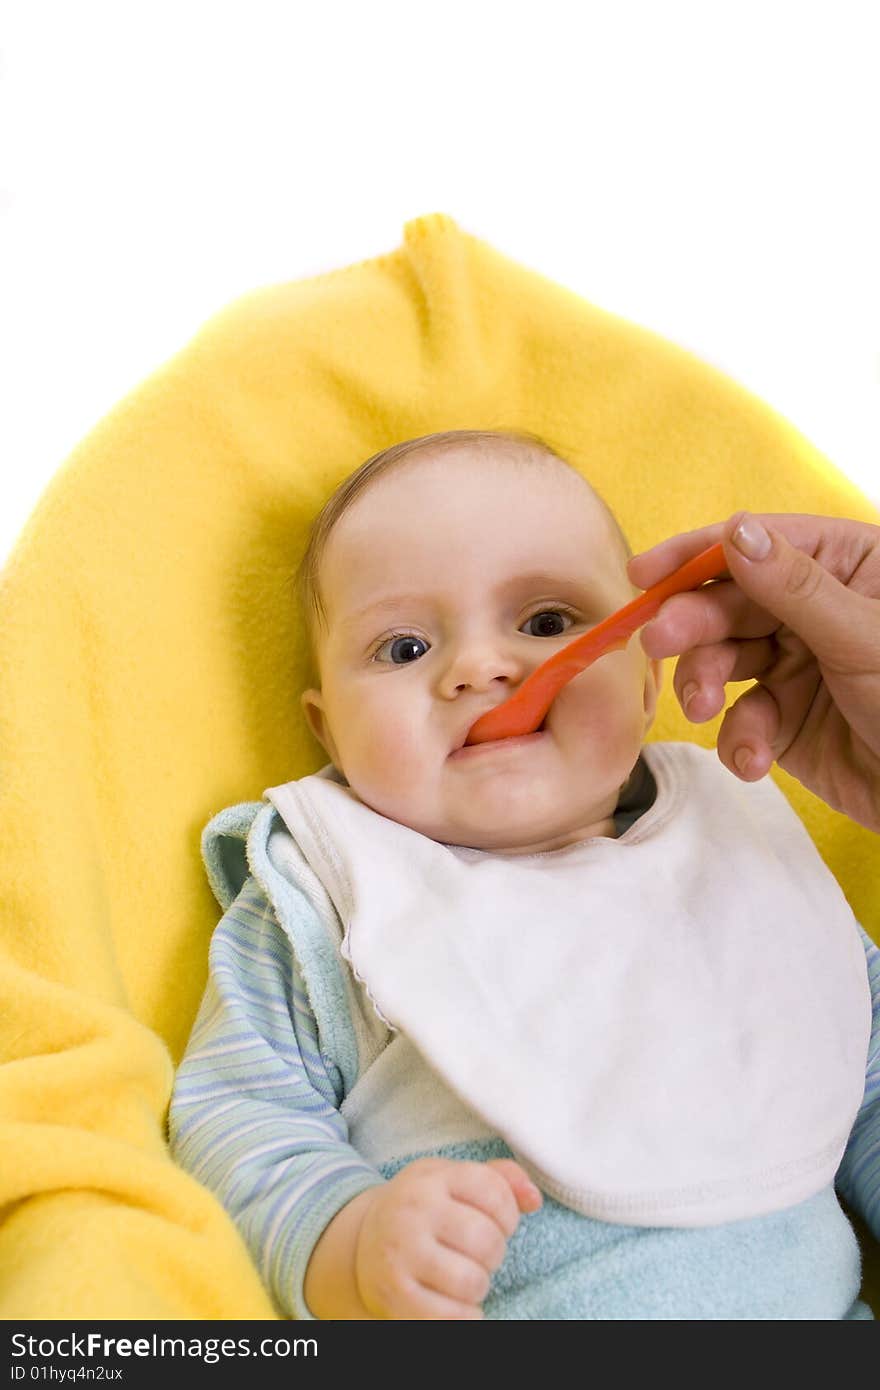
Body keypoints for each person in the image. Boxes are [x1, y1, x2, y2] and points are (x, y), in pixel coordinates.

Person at [168, 429, 879, 1320]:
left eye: (546, 622)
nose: (479, 667)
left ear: (648, 684)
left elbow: (865, 1065)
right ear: (329, 731)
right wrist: (349, 1242)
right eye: (402, 649)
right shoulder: (331, 889)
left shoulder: (737, 843)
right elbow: (239, 1114)